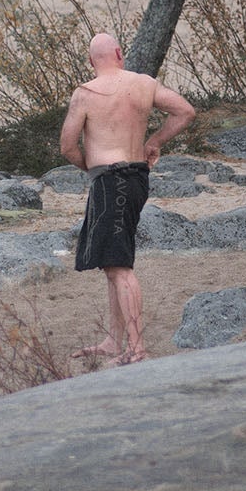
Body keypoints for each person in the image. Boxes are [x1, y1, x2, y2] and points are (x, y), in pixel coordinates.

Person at [59, 33, 196, 365]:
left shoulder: (85, 94)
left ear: (92, 61)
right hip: (136, 177)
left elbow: (67, 147)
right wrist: (154, 141)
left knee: (119, 266)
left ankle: (137, 349)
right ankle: (114, 340)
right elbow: (185, 112)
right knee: (111, 262)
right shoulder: (144, 84)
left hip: (110, 181)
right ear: (119, 53)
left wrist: (91, 168)